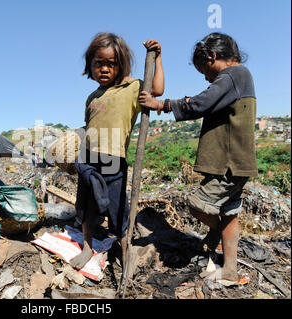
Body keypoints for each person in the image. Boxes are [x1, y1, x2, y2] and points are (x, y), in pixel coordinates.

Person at [139, 32, 257, 283]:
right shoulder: (238, 77)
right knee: (228, 212)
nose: (205, 77)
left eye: (204, 69)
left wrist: (161, 105)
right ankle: (229, 268)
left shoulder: (233, 75)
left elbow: (201, 103)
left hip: (230, 163)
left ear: (212, 57)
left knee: (197, 204)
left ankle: (217, 235)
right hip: (234, 163)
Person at [70, 32, 165, 271]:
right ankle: (88, 247)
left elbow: (158, 90)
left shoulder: (131, 87)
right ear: (90, 66)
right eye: (98, 63)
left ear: (120, 65)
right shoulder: (92, 97)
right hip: (89, 158)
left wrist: (157, 58)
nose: (103, 69)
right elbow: (89, 127)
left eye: (110, 64)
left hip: (114, 160)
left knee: (118, 209)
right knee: (87, 208)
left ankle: (125, 249)